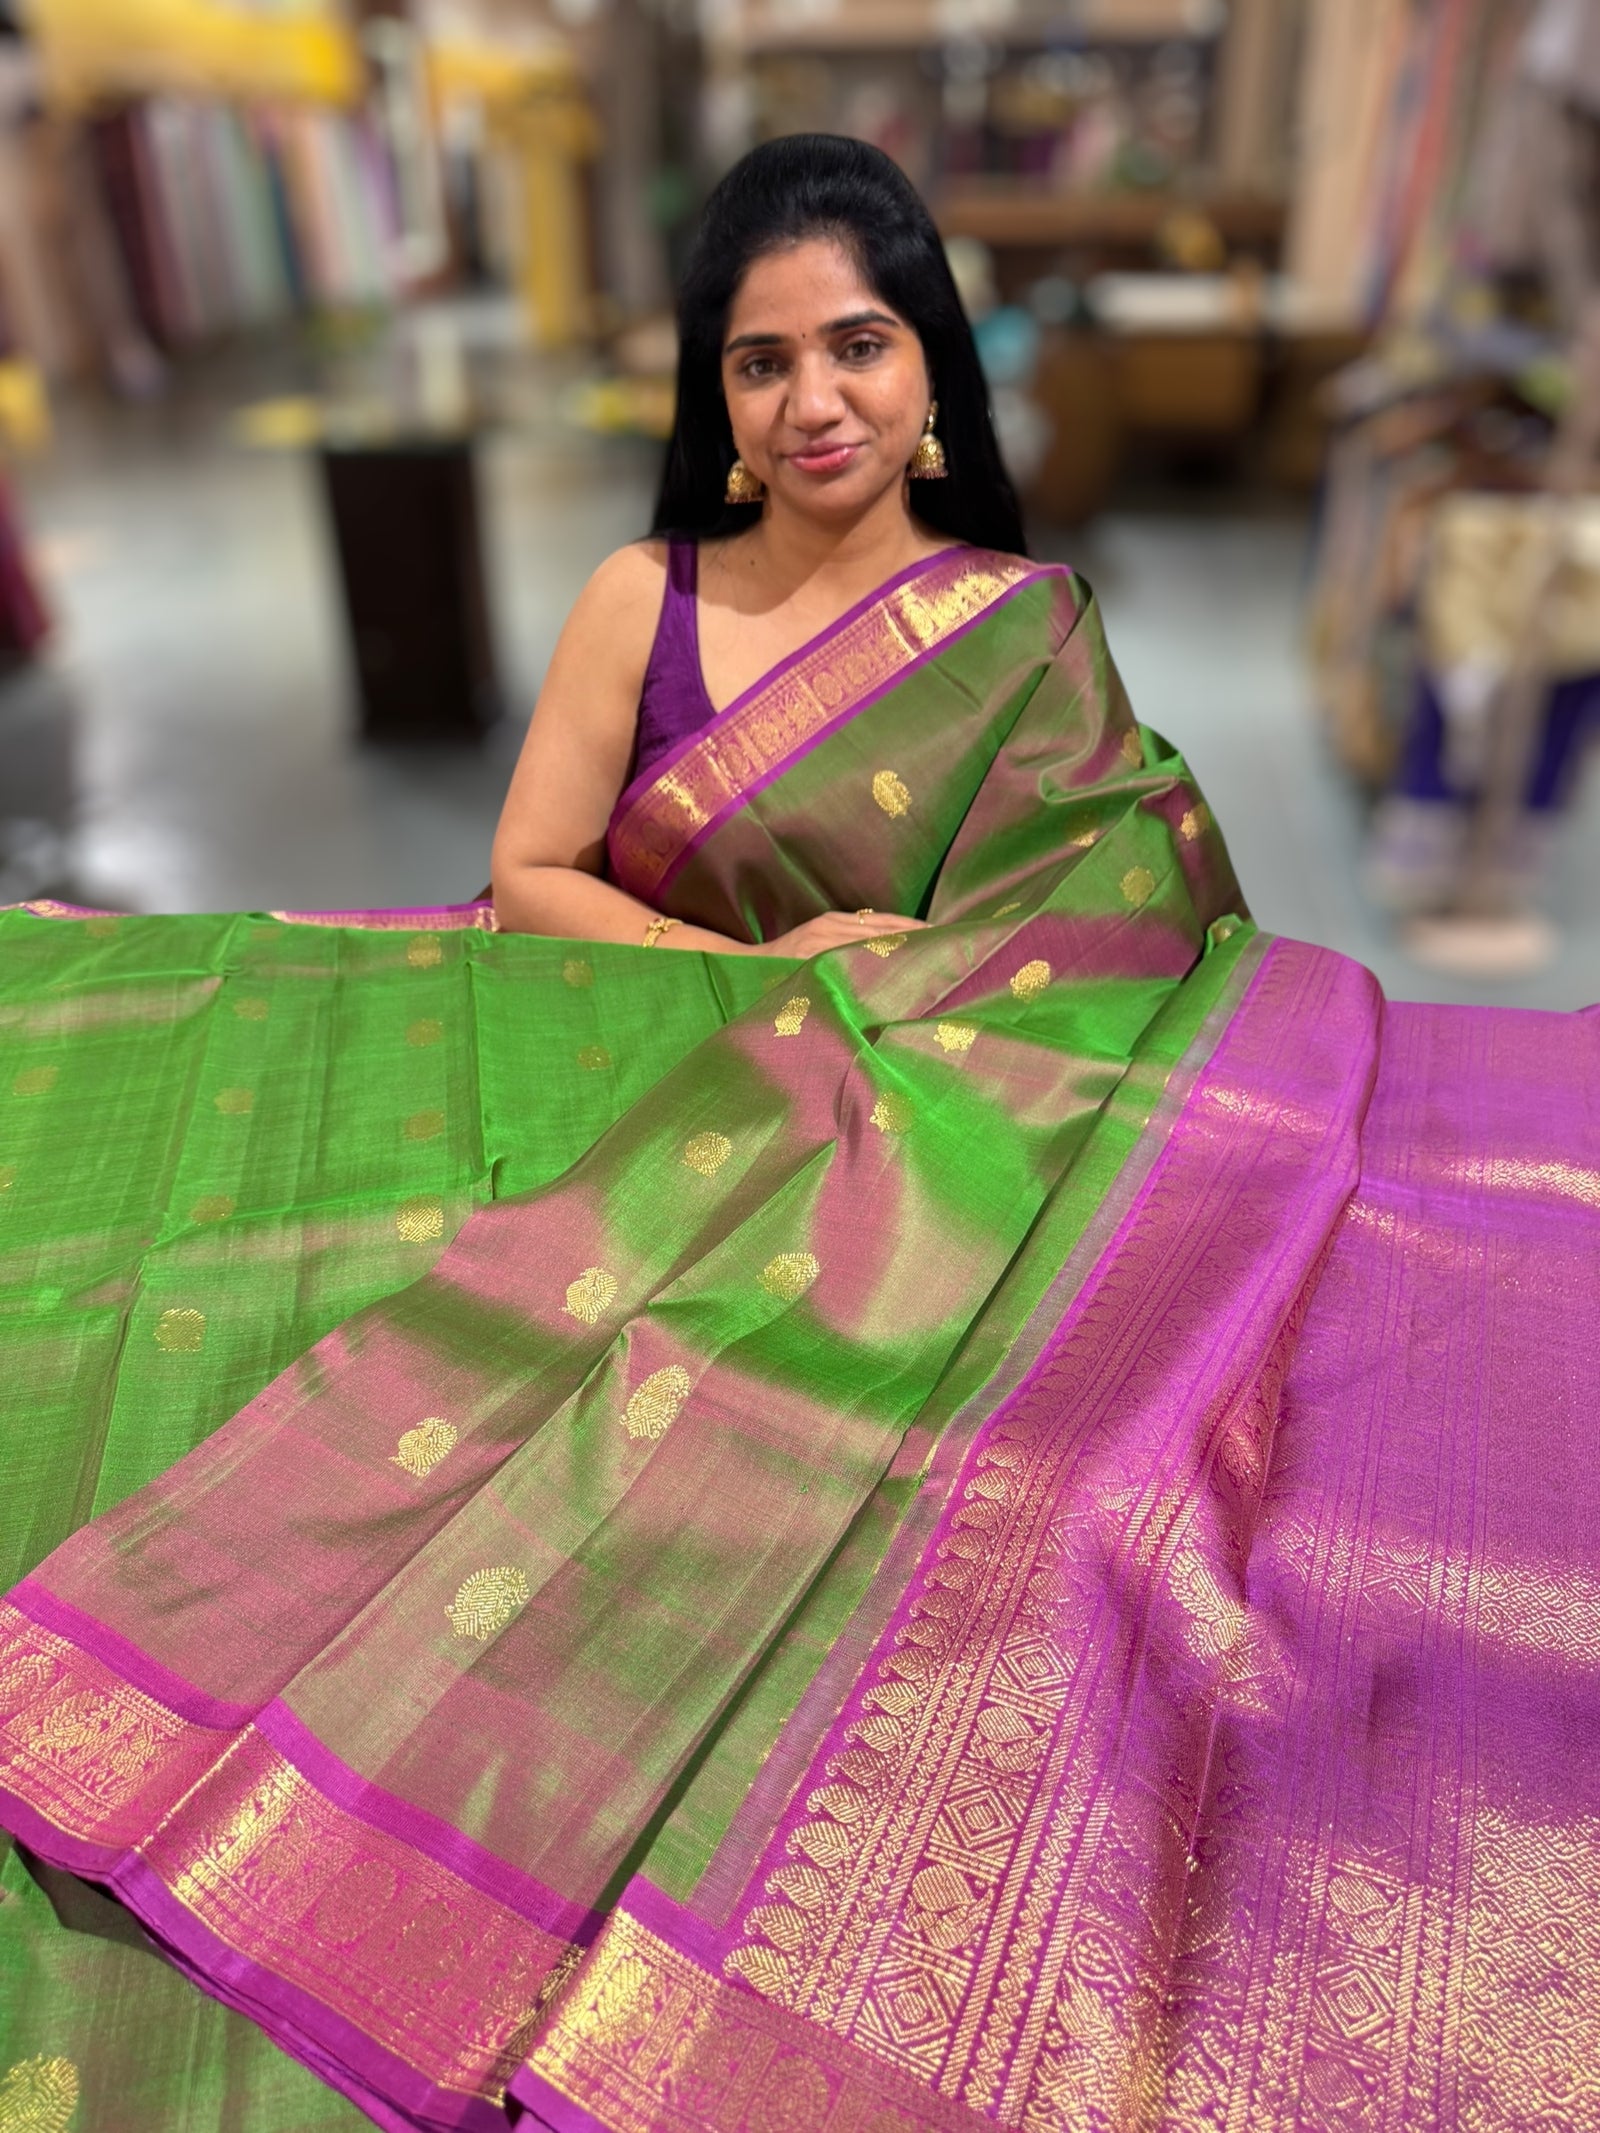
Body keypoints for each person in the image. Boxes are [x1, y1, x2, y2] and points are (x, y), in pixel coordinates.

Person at [0, 134, 1596, 2133]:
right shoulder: (645, 597)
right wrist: (761, 972)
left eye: (857, 344)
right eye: (760, 362)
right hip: (656, 1072)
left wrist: (913, 1003)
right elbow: (531, 873)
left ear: (932, 371)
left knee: (1075, 1499)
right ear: (716, 396)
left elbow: (1128, 934)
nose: (812, 398)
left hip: (952, 1132)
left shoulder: (1021, 628)